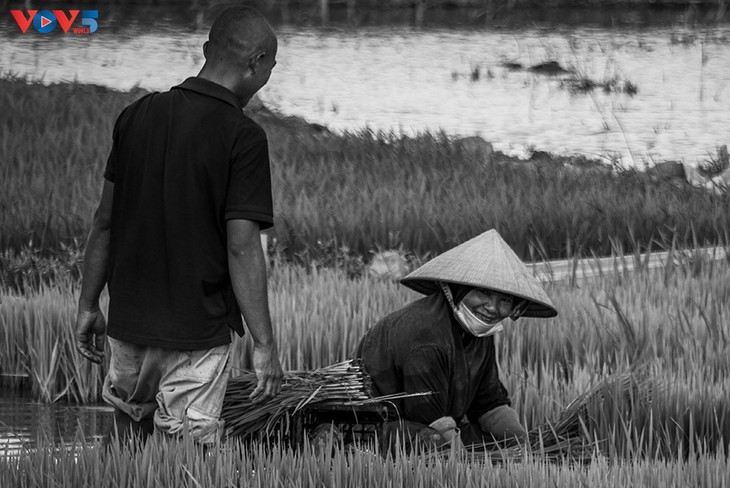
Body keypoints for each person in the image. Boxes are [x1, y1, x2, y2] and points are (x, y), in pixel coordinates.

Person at [74, 6, 283, 445]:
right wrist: (263, 344)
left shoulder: (135, 116)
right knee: (187, 457)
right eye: (271, 67)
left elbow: (105, 222)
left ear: (207, 50)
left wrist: (89, 305)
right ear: (257, 63)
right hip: (197, 334)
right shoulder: (243, 137)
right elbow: (242, 246)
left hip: (129, 325)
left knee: (128, 453)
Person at [355, 229, 558, 450]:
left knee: (492, 445)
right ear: (456, 289)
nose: (492, 308)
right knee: (435, 444)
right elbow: (428, 419)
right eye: (482, 293)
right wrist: (462, 464)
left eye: (505, 300)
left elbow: (488, 402)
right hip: (379, 429)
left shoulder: (477, 330)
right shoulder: (425, 335)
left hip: (434, 425)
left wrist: (522, 443)